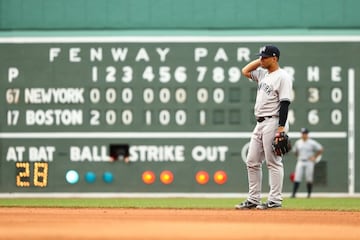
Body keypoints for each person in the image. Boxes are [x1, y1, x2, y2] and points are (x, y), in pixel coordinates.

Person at [235, 45, 293, 210]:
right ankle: (253, 199)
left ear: (275, 58)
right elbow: (245, 71)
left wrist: (281, 129)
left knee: (273, 162)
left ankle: (275, 200)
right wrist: (260, 61)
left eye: (265, 57)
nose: (261, 60)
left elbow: (285, 103)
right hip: (260, 123)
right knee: (252, 161)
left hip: (274, 122)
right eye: (261, 57)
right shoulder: (263, 74)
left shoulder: (283, 77)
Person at [291, 128, 323, 198]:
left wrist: (314, 157)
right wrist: (298, 156)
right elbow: (295, 151)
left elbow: (320, 149)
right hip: (300, 161)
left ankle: (309, 194)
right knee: (297, 177)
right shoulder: (298, 142)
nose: (304, 135)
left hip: (309, 162)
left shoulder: (311, 142)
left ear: (307, 134)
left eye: (305, 133)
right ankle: (293, 194)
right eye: (303, 133)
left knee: (309, 178)